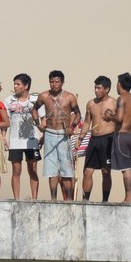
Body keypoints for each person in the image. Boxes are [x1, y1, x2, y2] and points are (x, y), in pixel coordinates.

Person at [33, 70, 80, 201]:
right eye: (51, 82)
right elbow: (34, 109)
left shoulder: (70, 97)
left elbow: (78, 114)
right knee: (51, 169)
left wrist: (71, 127)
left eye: (57, 82)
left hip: (63, 134)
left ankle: (69, 199)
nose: (54, 84)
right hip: (49, 134)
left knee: (66, 168)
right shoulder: (43, 96)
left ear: (62, 82)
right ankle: (53, 198)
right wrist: (38, 124)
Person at [77, 75, 117, 201]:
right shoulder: (91, 104)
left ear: (107, 89)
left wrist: (112, 117)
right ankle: (85, 200)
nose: (96, 90)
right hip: (94, 140)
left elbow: (120, 120)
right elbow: (87, 122)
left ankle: (105, 200)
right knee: (87, 171)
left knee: (106, 171)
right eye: (95, 88)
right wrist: (80, 139)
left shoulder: (114, 102)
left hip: (108, 139)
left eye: (99, 88)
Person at [4, 73, 41, 200]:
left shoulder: (36, 100)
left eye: (18, 84)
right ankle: (16, 199)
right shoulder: (9, 100)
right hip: (15, 141)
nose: (15, 86)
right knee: (16, 170)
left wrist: (43, 135)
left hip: (32, 140)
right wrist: (3, 137)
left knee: (33, 169)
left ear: (26, 86)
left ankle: (34, 198)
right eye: (14, 84)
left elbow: (43, 119)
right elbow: (5, 120)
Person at [105, 72, 131, 204]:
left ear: (119, 84)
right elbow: (129, 116)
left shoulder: (122, 98)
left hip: (122, 135)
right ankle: (129, 196)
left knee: (125, 170)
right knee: (129, 169)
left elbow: (119, 119)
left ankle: (129, 198)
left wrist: (109, 117)